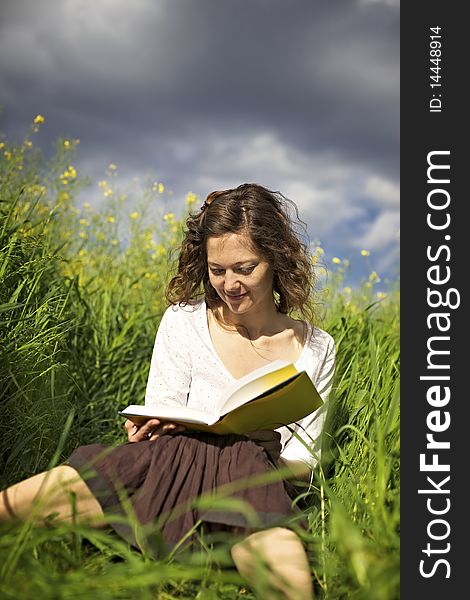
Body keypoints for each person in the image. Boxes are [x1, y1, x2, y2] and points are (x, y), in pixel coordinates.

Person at [0, 183, 335, 600]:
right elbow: (162, 409)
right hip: (171, 458)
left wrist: (271, 451)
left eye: (244, 268)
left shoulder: (317, 345)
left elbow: (306, 460)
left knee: (291, 583)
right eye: (217, 270)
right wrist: (147, 426)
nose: (228, 284)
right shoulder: (184, 320)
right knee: (24, 502)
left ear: (276, 259)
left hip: (251, 473)